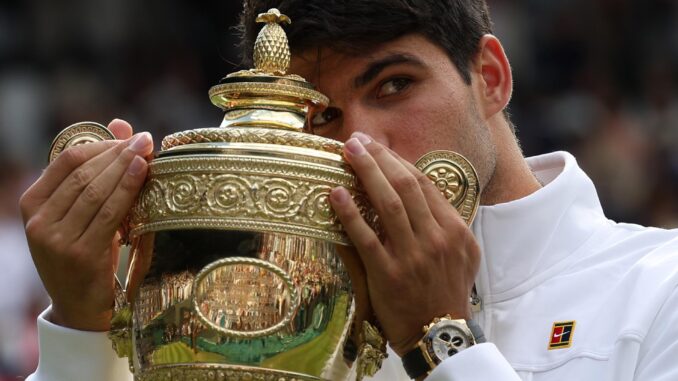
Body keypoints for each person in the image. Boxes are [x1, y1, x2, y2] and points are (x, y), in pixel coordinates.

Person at [21, 0, 678, 380]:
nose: (360, 144)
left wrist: (440, 342)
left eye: (393, 85)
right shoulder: (274, 313)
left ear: (492, 77)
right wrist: (83, 325)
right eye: (321, 116)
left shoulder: (659, 286)